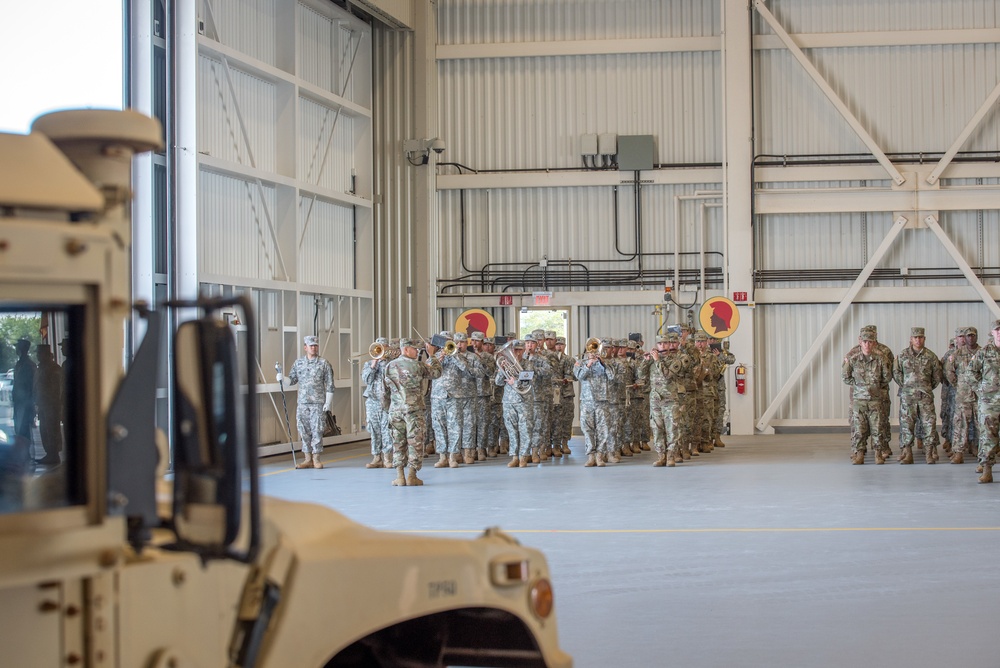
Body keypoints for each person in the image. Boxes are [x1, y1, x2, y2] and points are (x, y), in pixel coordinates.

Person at [383, 337, 442, 486]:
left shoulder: (389, 366)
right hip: (414, 410)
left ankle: (400, 477)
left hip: (395, 411)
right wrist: (432, 355)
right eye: (415, 349)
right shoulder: (417, 366)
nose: (417, 352)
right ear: (406, 349)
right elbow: (436, 373)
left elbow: (384, 391)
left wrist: (388, 408)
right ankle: (411, 476)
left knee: (398, 442)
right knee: (415, 442)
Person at [279, 335, 335, 469]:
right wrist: (282, 378)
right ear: (305, 347)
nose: (314, 348)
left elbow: (330, 384)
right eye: (311, 346)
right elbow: (292, 381)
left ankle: (316, 458)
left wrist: (328, 402)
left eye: (315, 345)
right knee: (304, 431)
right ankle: (307, 458)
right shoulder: (298, 363)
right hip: (303, 403)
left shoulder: (324, 363)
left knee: (317, 430)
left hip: (317, 403)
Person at [892, 327, 942, 465]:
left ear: (924, 339)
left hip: (925, 397)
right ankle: (907, 453)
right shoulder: (902, 355)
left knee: (929, 424)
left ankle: (929, 453)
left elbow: (937, 376)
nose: (918, 340)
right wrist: (907, 386)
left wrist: (925, 387)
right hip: (908, 397)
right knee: (907, 425)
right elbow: (896, 373)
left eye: (920, 337)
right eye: (915, 337)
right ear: (911, 339)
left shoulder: (931, 356)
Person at [843, 329, 892, 464]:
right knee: (859, 429)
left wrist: (874, 386)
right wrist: (859, 386)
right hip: (859, 401)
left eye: (870, 342)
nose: (867, 345)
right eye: (865, 342)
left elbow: (887, 377)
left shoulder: (880, 359)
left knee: (877, 428)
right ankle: (859, 455)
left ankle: (878, 454)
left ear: (874, 343)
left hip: (875, 400)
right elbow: (845, 377)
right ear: (861, 342)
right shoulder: (853, 359)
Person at [574, 337, 616, 467]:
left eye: (595, 349)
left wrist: (602, 363)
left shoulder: (606, 363)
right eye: (591, 350)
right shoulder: (580, 363)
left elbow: (612, 376)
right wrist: (588, 364)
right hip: (587, 401)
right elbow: (579, 377)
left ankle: (600, 456)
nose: (593, 352)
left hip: (602, 400)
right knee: (587, 429)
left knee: (603, 429)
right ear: (587, 350)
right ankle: (590, 456)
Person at [647, 334, 687, 466]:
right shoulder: (652, 361)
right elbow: (641, 376)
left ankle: (671, 456)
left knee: (672, 429)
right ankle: (661, 456)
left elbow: (667, 376)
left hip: (670, 400)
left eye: (665, 343)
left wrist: (657, 360)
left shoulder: (676, 361)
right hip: (656, 400)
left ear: (670, 345)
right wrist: (645, 361)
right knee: (657, 429)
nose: (662, 346)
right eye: (660, 344)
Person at [496, 340, 534, 467]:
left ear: (524, 351)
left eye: (519, 350)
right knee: (511, 430)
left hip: (524, 401)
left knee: (525, 430)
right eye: (514, 350)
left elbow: (527, 383)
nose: (516, 353)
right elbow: (498, 383)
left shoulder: (528, 364)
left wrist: (515, 382)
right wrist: (502, 370)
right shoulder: (506, 363)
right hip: (508, 401)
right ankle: (514, 456)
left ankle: (523, 456)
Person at [971, 320, 1000, 483]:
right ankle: (987, 469)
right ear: (992, 333)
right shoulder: (984, 352)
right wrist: (980, 390)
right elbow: (970, 373)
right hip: (989, 403)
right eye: (997, 330)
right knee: (988, 436)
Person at [945, 327, 978, 463]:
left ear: (976, 337)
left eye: (972, 336)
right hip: (963, 397)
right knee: (960, 425)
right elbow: (949, 371)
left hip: (979, 397)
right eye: (967, 336)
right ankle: (958, 453)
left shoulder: (982, 353)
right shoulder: (957, 354)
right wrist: (958, 386)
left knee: (981, 425)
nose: (969, 338)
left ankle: (978, 449)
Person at [361, 337, 391, 469]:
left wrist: (384, 362)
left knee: (387, 429)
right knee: (374, 429)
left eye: (384, 347)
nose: (381, 350)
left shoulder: (391, 363)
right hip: (373, 401)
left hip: (388, 401)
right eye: (379, 348)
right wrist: (374, 364)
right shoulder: (368, 364)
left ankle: (387, 458)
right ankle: (376, 457)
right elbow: (366, 380)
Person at [34, 345, 63, 465]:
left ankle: (53, 454)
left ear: (45, 354)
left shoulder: (53, 368)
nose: (37, 355)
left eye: (39, 353)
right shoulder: (41, 367)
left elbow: (56, 389)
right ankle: (49, 454)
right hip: (43, 405)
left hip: (51, 405)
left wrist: (51, 402)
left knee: (52, 430)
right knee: (44, 430)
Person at [11, 338, 35, 447]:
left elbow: (30, 385)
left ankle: (24, 452)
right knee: (19, 428)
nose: (16, 349)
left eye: (18, 347)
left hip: (25, 402)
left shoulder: (28, 364)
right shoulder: (20, 363)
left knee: (23, 428)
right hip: (19, 401)